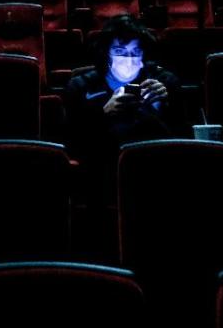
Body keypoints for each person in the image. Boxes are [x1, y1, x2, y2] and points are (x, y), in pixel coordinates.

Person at [63, 14, 181, 207]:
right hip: (101, 176)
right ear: (106, 55)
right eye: (120, 51)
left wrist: (162, 106)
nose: (129, 59)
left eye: (135, 52)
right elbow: (73, 145)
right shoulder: (80, 87)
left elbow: (181, 138)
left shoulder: (165, 84)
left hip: (156, 173)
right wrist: (103, 115)